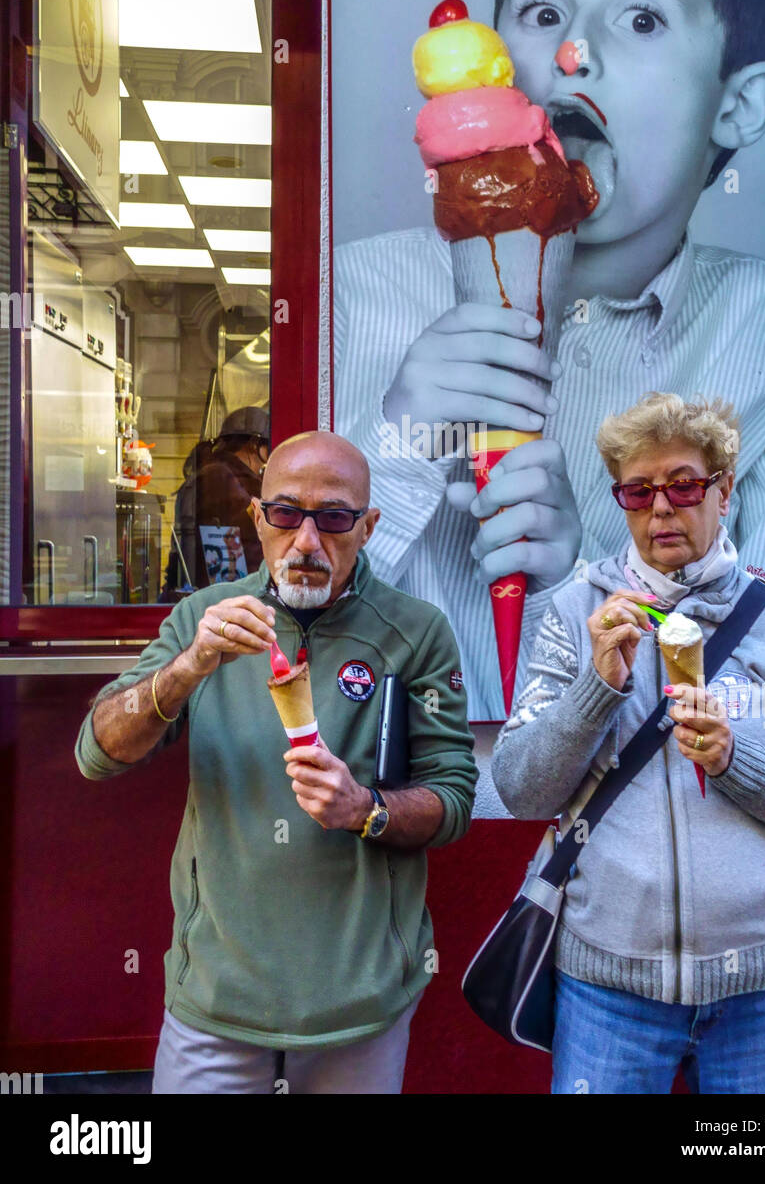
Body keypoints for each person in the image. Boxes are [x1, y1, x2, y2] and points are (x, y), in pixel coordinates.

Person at [334, 0, 765, 719]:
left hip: (632, 832)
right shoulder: (357, 293)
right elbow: (285, 635)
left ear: (738, 104)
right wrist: (393, 453)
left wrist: (582, 592)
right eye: (543, 10)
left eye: (643, 20)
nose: (574, 54)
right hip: (402, 817)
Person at [76, 430, 477, 1094]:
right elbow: (98, 753)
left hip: (359, 1008)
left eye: (335, 518)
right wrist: (188, 668)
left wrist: (367, 810)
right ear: (257, 519)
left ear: (369, 526)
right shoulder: (204, 619)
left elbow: (454, 799)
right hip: (217, 1005)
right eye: (286, 513)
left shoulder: (416, 630)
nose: (308, 541)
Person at [491, 393, 765, 1095]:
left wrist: (735, 761)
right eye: (639, 491)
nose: (661, 508)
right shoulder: (575, 617)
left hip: (762, 991)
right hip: (610, 988)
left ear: (723, 491)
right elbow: (520, 787)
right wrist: (595, 687)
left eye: (683, 485)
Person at [161, 406, 270, 596]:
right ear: (254, 444)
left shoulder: (219, 472)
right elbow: (259, 526)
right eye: (268, 447)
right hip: (224, 592)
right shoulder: (220, 476)